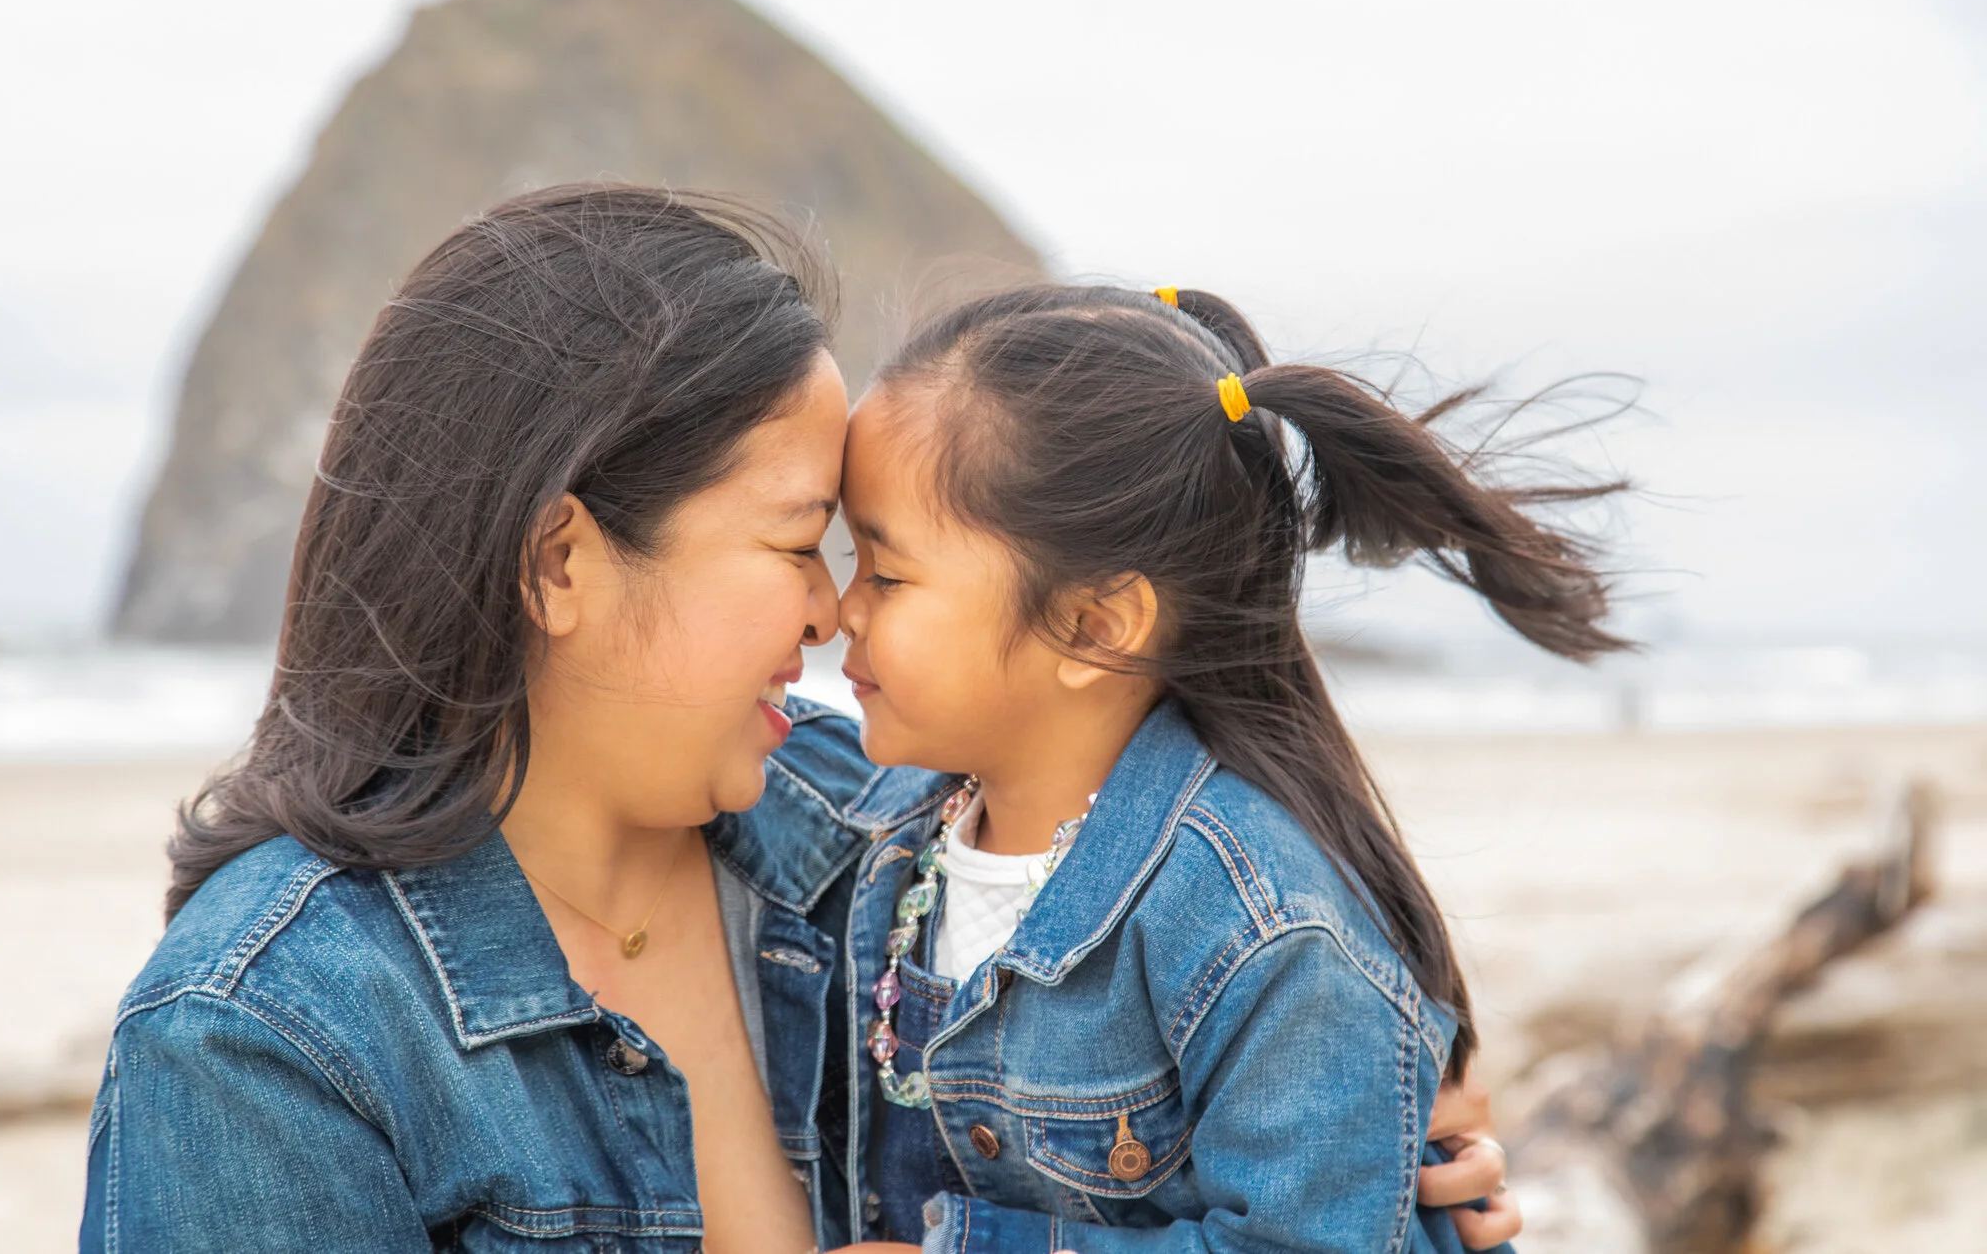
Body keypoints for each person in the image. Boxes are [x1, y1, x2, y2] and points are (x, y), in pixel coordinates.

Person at [79, 185, 1513, 1253]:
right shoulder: (264, 1038)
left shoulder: (887, 853)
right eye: (799, 545)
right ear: (559, 562)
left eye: (873, 563)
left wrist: (1390, 1157)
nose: (832, 616)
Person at [815, 283, 1616, 1251]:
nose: (838, 608)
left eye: (886, 573)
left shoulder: (1260, 923)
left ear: (1093, 626)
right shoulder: (875, 825)